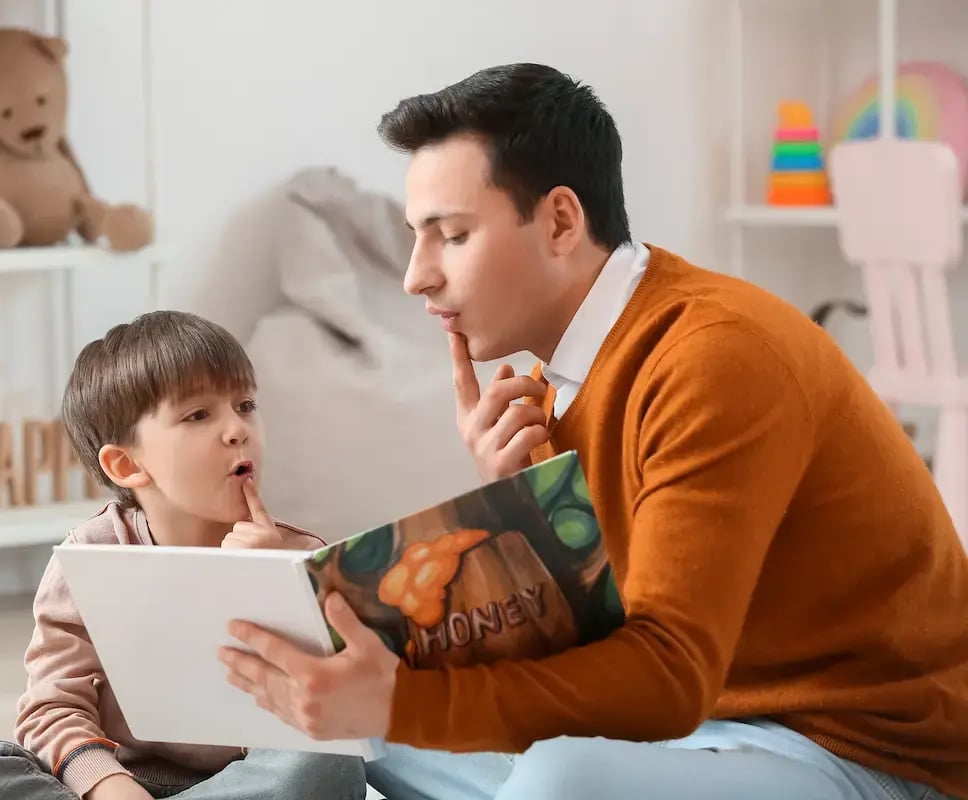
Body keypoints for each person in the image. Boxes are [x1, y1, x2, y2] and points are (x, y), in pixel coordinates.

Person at [219, 64, 968, 800]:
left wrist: (402, 701)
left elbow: (668, 677)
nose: (417, 275)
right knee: (350, 724)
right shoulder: (553, 386)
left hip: (858, 752)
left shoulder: (714, 357)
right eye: (419, 237)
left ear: (560, 222)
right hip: (689, 738)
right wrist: (503, 504)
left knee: (554, 776)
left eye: (450, 235)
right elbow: (572, 650)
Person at [0, 311, 366, 800]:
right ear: (126, 463)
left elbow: (335, 708)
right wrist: (108, 786)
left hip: (243, 783)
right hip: (112, 784)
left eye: (245, 404)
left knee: (329, 763)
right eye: (199, 415)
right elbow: (53, 708)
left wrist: (272, 587)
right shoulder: (88, 555)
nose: (237, 429)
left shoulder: (302, 557)